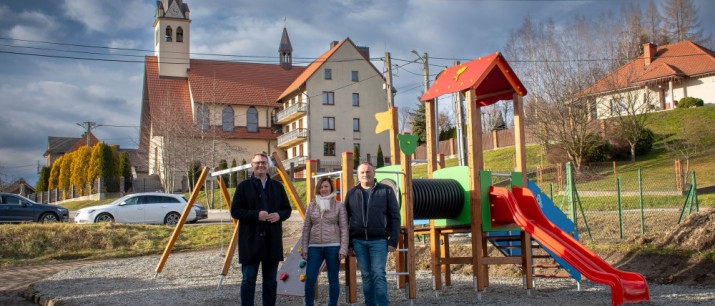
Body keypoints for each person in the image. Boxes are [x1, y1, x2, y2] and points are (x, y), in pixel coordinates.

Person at [231, 152, 292, 306]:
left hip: (272, 241)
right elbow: (235, 211)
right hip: (250, 241)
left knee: (271, 281)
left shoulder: (277, 187)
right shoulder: (243, 187)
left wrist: (279, 215)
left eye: (264, 163)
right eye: (257, 163)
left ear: (268, 166)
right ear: (252, 165)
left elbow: (287, 209)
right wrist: (256, 215)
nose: (261, 165)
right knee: (248, 280)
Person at [345, 162, 400, 306]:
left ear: (374, 173)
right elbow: (345, 219)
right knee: (366, 276)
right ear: (358, 174)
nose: (365, 175)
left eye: (368, 172)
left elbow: (395, 217)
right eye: (362, 172)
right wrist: (349, 244)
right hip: (358, 241)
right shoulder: (351, 193)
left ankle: (382, 304)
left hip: (379, 241)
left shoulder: (386, 191)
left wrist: (393, 241)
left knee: (378, 274)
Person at [301, 177, 348, 306]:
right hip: (314, 247)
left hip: (333, 247)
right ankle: (309, 304)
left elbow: (344, 228)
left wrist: (343, 249)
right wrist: (304, 248)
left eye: (326, 186)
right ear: (318, 189)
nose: (324, 189)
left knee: (333, 279)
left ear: (331, 188)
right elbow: (306, 228)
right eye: (321, 187)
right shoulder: (312, 205)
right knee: (310, 278)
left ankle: (332, 304)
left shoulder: (339, 206)